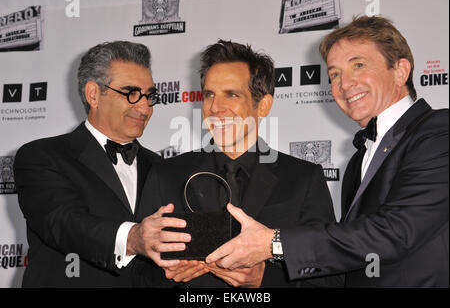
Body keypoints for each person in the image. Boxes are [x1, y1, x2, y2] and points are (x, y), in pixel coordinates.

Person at [205, 16, 449, 287]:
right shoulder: (359, 158)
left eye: (358, 65)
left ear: (401, 70)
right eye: (334, 74)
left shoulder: (439, 131)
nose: (345, 83)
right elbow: (351, 254)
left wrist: (274, 243)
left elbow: (396, 232)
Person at [158, 40, 341, 287]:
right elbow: (140, 274)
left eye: (231, 95)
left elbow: (329, 279)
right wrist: (167, 272)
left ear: (263, 105)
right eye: (209, 94)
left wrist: (264, 279)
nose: (215, 108)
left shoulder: (303, 179)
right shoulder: (168, 173)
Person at [13, 41, 189, 287]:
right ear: (93, 94)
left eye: (150, 96)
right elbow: (64, 223)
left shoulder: (161, 166)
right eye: (132, 93)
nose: (145, 107)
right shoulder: (42, 156)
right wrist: (133, 238)